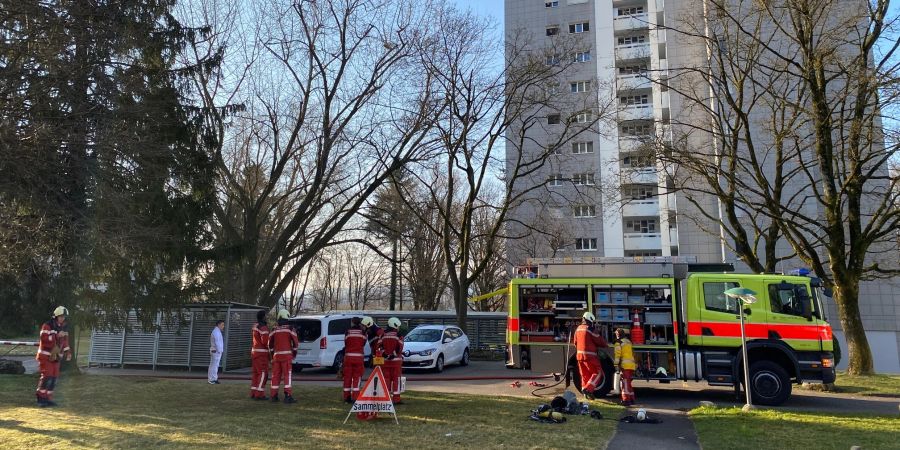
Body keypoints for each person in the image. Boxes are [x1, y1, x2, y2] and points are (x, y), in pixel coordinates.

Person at [35, 306, 71, 407]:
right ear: (56, 316)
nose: (63, 318)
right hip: (45, 356)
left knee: (54, 378)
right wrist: (57, 336)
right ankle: (41, 398)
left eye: (64, 317)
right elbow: (44, 339)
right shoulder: (47, 325)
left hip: (56, 357)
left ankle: (48, 398)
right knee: (47, 377)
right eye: (61, 316)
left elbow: (65, 341)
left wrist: (68, 352)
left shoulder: (64, 327)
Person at [574, 311, 608, 400]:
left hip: (579, 356)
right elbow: (599, 341)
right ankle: (588, 389)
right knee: (598, 373)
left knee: (584, 375)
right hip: (590, 356)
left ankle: (585, 393)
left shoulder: (578, 329)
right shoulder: (590, 329)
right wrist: (605, 344)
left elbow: (575, 342)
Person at [268, 310, 298, 403]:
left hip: (276, 357)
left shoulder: (274, 329)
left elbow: (269, 344)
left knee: (275, 376)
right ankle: (288, 396)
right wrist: (294, 353)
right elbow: (296, 343)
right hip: (287, 356)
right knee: (287, 376)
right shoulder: (290, 328)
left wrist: (272, 354)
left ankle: (273, 396)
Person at [342, 317, 367, 403]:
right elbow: (363, 343)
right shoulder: (363, 332)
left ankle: (346, 397)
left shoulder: (347, 331)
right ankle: (355, 397)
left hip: (348, 357)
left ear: (352, 322)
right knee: (357, 377)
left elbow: (345, 342)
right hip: (358, 358)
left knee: (347, 378)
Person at [380, 317, 404, 404]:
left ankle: (387, 399)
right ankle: (396, 399)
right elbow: (399, 348)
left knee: (386, 379)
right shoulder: (399, 335)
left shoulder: (383, 335)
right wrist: (393, 355)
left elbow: (379, 347)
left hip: (385, 362)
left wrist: (386, 354)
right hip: (396, 362)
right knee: (396, 380)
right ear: (395, 326)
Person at [249, 310, 270, 400]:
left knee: (256, 374)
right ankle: (259, 394)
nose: (267, 317)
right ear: (263, 316)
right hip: (261, 354)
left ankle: (253, 393)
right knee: (263, 373)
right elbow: (265, 342)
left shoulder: (255, 325)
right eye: (266, 315)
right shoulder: (263, 327)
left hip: (254, 352)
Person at [614, 327, 636, 406]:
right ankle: (632, 399)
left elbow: (617, 356)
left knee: (625, 383)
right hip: (631, 366)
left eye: (616, 334)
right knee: (628, 383)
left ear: (618, 335)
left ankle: (626, 400)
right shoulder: (628, 342)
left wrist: (616, 365)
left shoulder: (618, 343)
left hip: (625, 366)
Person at [208, 320, 225, 384]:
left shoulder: (217, 331)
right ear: (218, 324)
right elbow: (217, 342)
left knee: (214, 365)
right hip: (216, 351)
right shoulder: (216, 332)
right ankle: (213, 379)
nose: (223, 326)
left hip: (216, 351)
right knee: (214, 365)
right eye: (222, 325)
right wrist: (220, 351)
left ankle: (213, 378)